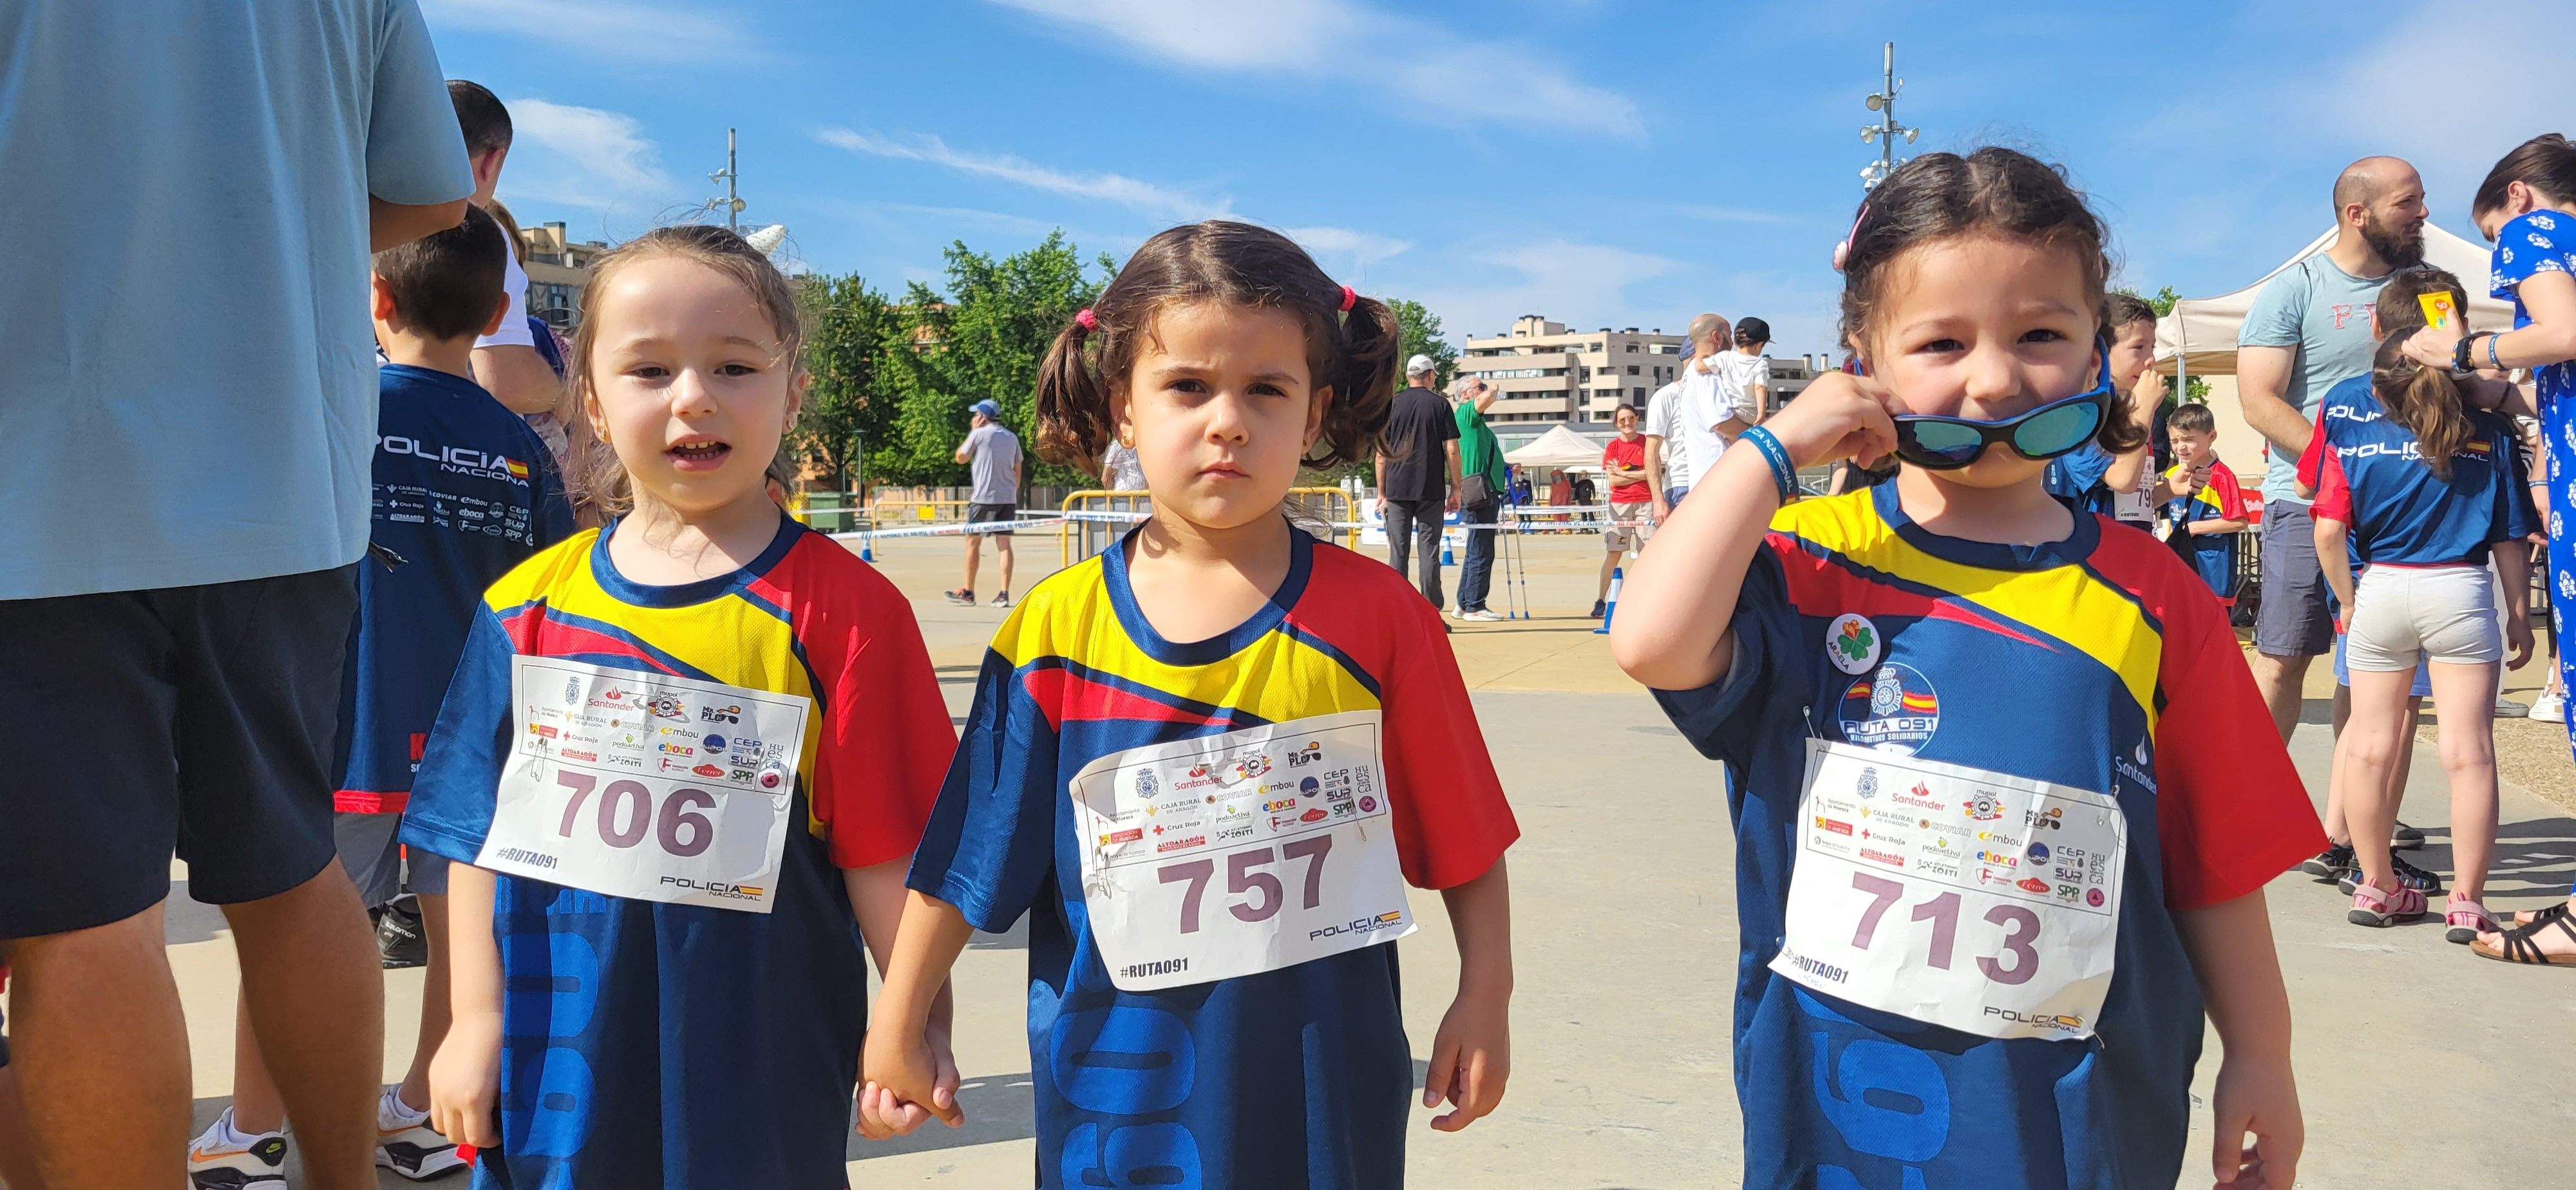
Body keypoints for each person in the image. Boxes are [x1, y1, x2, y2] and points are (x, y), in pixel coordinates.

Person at [1611, 148, 2318, 1189]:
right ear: (1866, 358)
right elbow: (1651, 638)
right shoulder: (1812, 560)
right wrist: (1774, 446)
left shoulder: (2155, 597)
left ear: (2091, 355)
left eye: (2040, 332)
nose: (1993, 377)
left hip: (2074, 1105)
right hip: (1842, 1086)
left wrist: (2263, 1051)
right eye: (1941, 342)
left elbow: (2217, 862)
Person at [863, 222, 1519, 1186]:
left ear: (1317, 408)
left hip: (1321, 1090)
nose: (1228, 421)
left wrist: (1486, 994)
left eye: (1267, 389)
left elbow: (1464, 836)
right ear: (1123, 410)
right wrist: (898, 1020)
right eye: (1187, 387)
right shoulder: (1057, 629)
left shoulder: (1383, 619)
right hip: (1119, 1098)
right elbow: (967, 860)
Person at [0, 4, 471, 1187]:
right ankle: (344, 1179)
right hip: (280, 481)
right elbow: (427, 193)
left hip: (38, 480)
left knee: (82, 916)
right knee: (289, 862)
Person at [402, 225, 957, 1185]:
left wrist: (913, 1024)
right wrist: (475, 1019)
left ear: (793, 391)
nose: (693, 397)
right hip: (556, 1047)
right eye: (650, 369)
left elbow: (884, 854)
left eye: (735, 366)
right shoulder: (527, 609)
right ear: (595, 405)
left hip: (756, 1059)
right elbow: (472, 834)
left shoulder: (848, 616)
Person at [185, 207, 576, 1189]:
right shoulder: (523, 448)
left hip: (339, 726)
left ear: (374, 299)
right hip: (474, 744)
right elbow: (553, 596)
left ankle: (256, 1133)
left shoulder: (336, 413)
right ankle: (423, 1116)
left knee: (301, 930)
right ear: (496, 309)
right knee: (460, 933)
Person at [2304, 268, 2535, 940]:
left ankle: (2376, 886)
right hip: (2459, 589)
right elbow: (2509, 537)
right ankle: (2467, 900)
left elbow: (2326, 528)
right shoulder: (2484, 420)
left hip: (2379, 585)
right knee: (2470, 752)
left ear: (2381, 326)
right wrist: (2518, 613)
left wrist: (2347, 602)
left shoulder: (2348, 405)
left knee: (2368, 746)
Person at [2401, 133, 2576, 964]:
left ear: (2517, 196)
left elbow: (2564, 331)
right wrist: (2506, 384)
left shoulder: (2536, 231)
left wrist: (2459, 349)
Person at [446, 82, 564, 427]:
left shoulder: (355, 210)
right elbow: (505, 380)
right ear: (492, 161)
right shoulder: (476, 232)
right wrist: (569, 398)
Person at [2044, 294, 2164, 531]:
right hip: (2086, 558)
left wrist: (2171, 491)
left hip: (2128, 551)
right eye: (2138, 347)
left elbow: (2127, 503)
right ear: (2101, 352)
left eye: (2152, 348)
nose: (2150, 360)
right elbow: (2122, 479)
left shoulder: (2130, 410)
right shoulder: (2081, 415)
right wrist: (2144, 409)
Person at [1376, 354, 1462, 608]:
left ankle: (1399, 613)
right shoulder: (1440, 405)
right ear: (1431, 376)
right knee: (1430, 554)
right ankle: (1431, 612)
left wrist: (1382, 492)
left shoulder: (1391, 404)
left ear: (1407, 377)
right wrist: (1456, 487)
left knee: (1398, 553)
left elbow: (1381, 453)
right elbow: (1452, 449)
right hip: (1430, 489)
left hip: (1396, 488)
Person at [1648, 314, 1744, 520]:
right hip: (1698, 481)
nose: (1733, 344)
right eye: (1729, 336)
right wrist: (1756, 434)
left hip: (1699, 479)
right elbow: (1720, 423)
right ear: (1716, 338)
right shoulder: (1702, 377)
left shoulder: (1690, 383)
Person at [2157, 402, 2251, 606]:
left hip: (2213, 568)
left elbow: (2240, 521)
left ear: (2211, 436)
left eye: (2189, 440)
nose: (2181, 447)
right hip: (2180, 568)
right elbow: (2164, 518)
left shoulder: (2221, 476)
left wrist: (2195, 528)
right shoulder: (2173, 475)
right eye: (2174, 440)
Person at [949, 398, 1023, 607]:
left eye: (976, 415)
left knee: (973, 542)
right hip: (1006, 499)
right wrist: (1013, 489)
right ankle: (1003, 593)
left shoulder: (979, 435)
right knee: (1005, 545)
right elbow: (1018, 467)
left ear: (982, 417)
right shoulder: (1011, 437)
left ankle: (969, 591)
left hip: (982, 499)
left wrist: (973, 431)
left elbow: (960, 457)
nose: (973, 418)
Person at [1453, 375, 1508, 621]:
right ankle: (1475, 604)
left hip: (1485, 487)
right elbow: (1488, 397)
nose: (1486, 390)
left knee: (1476, 547)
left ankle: (1465, 602)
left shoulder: (1479, 425)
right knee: (1482, 548)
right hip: (1478, 490)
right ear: (1465, 394)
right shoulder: (1466, 413)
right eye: (1480, 387)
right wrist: (1493, 387)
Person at [1596, 403, 1653, 616]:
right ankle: (1601, 599)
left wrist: (1624, 473)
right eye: (1623, 420)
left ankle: (1642, 599)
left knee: (1646, 553)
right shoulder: (1612, 448)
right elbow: (1614, 480)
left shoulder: (1647, 442)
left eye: (1631, 418)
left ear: (1637, 419)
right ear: (1616, 424)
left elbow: (1653, 472)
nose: (1627, 423)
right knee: (1614, 553)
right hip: (1619, 504)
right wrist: (1637, 474)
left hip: (1646, 502)